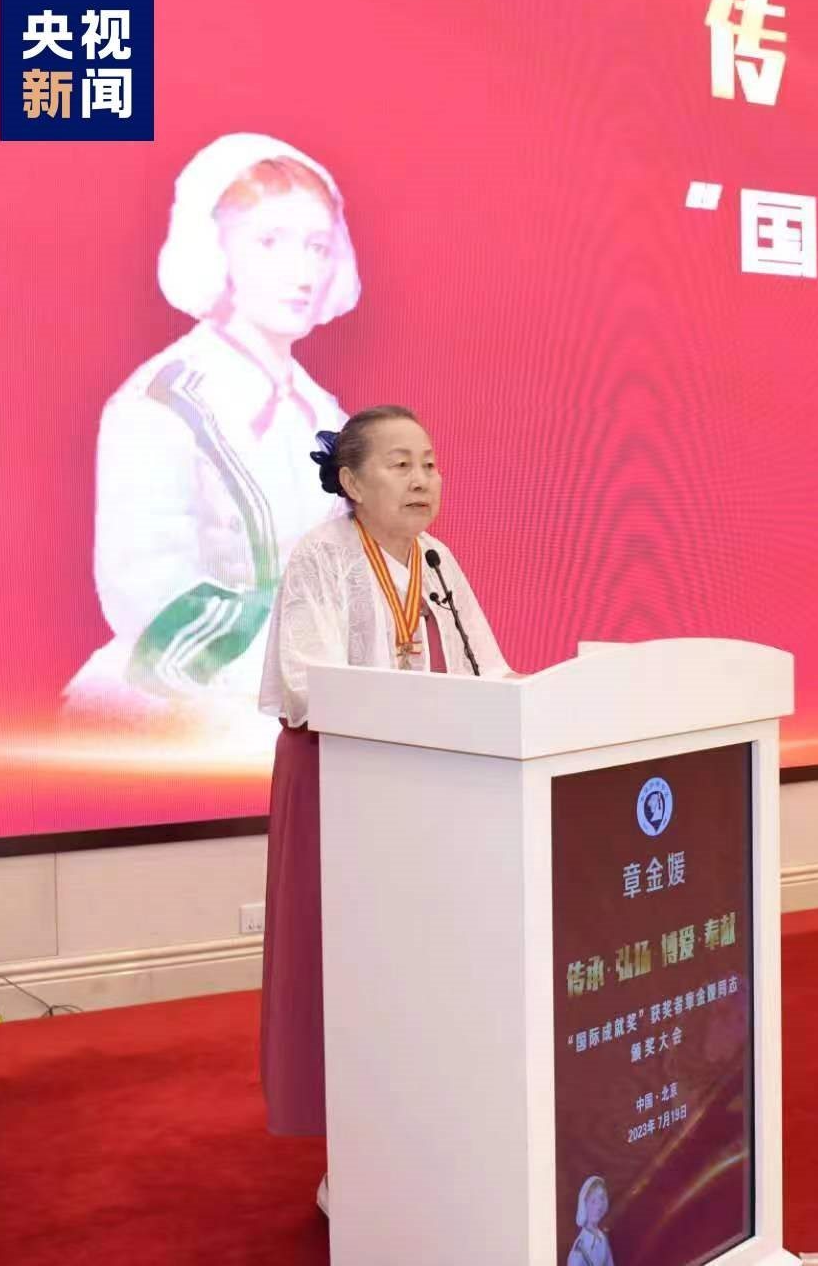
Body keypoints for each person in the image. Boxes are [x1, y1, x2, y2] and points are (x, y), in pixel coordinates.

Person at [258, 405, 512, 1215]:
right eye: (399, 464)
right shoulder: (322, 555)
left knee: (424, 967)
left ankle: (425, 1133)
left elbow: (487, 669)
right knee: (347, 965)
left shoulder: (436, 559)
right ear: (351, 481)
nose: (421, 479)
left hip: (429, 787)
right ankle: (354, 1161)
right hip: (341, 778)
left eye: (429, 462)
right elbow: (308, 682)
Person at [63, 132, 361, 741]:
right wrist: (286, 672)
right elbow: (147, 590)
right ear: (215, 249)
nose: (302, 271)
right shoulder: (162, 402)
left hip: (314, 688)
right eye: (269, 242)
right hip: (188, 695)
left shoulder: (323, 413)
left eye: (317, 247)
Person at [568, 1176, 616, 1266]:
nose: (599, 1206)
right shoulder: (579, 1247)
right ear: (584, 1204)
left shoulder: (603, 1238)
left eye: (601, 1199)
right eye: (593, 1201)